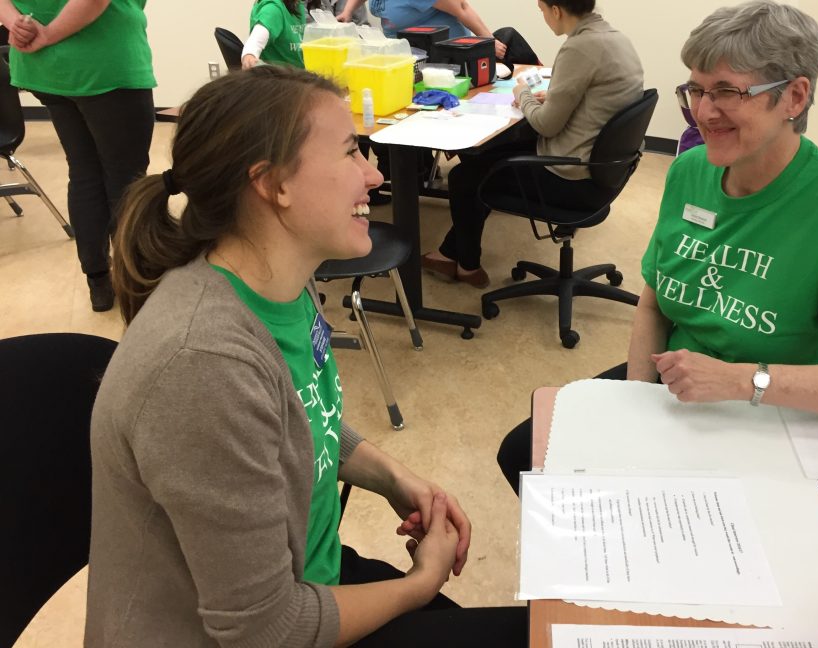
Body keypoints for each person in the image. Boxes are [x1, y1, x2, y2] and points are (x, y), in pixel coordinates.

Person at [87, 66, 525, 647]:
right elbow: (265, 630)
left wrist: (395, 476)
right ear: (273, 185)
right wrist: (419, 585)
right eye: (350, 153)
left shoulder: (282, 284)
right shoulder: (203, 364)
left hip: (309, 579)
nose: (372, 174)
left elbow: (300, 415)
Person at [497, 0, 818, 494]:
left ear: (795, 97)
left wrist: (745, 382)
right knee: (522, 452)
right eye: (696, 89)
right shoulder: (689, 172)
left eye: (726, 91)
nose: (702, 111)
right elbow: (654, 302)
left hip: (777, 415)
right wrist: (637, 405)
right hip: (680, 389)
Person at [422, 0, 643, 288]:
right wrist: (552, 96)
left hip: (572, 178)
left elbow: (545, 125)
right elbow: (593, 94)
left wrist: (523, 92)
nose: (543, 18)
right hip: (604, 173)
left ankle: (467, 266)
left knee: (465, 177)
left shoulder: (579, 47)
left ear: (556, 10)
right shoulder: (613, 38)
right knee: (484, 160)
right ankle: (450, 253)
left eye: (541, 10)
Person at [2, 0, 155, 312]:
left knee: (84, 172)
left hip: (47, 68)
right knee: (126, 178)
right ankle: (137, 283)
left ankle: (99, 281)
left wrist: (16, 23)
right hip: (103, 61)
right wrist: (48, 34)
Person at [336, 0, 539, 65]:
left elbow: (462, 7)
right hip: (408, 55)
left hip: (446, 56)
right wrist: (347, 12)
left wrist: (488, 41)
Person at [242, 0, 306, 68]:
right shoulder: (272, 9)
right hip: (279, 75)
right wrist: (249, 56)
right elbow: (255, 42)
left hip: (297, 72)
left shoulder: (298, 5)